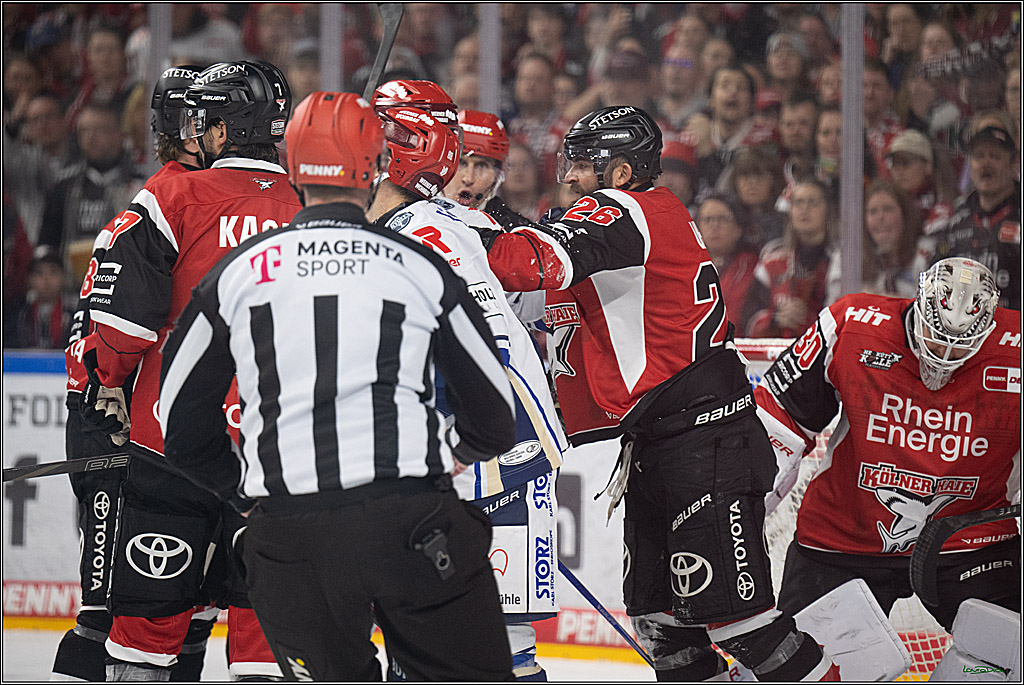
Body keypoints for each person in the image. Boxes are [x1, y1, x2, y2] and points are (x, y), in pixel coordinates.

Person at [160, 91, 516, 681]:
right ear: (375, 166)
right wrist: (453, 456)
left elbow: (179, 421)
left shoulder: (238, 273)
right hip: (412, 524)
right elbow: (494, 416)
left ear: (292, 166)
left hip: (290, 537)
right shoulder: (419, 266)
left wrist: (244, 492)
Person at [478, 105, 839, 681]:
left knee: (744, 629)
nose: (568, 176)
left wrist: (447, 219)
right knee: (662, 627)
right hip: (664, 442)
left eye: (582, 164)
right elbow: (540, 249)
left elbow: (525, 260)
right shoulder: (638, 215)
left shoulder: (624, 210)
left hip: (706, 444)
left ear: (621, 173)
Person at [69, 59, 301, 680]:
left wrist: (107, 382)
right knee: (267, 630)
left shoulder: (173, 192)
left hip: (171, 435)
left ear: (224, 129)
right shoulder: (309, 205)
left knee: (148, 626)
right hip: (277, 447)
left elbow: (122, 325)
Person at [370, 99, 567, 681]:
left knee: (496, 638)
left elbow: (503, 341)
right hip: (482, 443)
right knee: (427, 631)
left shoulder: (431, 230)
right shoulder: (441, 227)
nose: (473, 178)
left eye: (486, 165)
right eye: (464, 161)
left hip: (495, 445)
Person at [53, 64, 223, 684]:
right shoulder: (178, 197)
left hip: (123, 403)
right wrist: (110, 388)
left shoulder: (180, 193)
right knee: (116, 604)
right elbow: (126, 326)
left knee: (188, 599)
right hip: (111, 410)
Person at [755, 257, 1020, 636]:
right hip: (844, 537)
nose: (943, 356)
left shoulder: (1017, 350)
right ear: (917, 304)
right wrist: (743, 507)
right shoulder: (852, 324)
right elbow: (781, 415)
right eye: (934, 336)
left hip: (970, 543)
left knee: (1004, 657)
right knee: (806, 668)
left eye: (961, 346)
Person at [927, 124, 1020, 310]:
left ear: (1013, 165)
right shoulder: (956, 220)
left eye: (994, 156)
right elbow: (935, 279)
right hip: (965, 330)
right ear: (970, 167)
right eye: (978, 156)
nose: (986, 163)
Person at [749, 180, 839, 338]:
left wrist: (809, 318)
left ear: (828, 210)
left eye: (813, 202)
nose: (805, 209)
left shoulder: (841, 260)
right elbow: (748, 321)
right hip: (776, 355)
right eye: (798, 203)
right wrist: (775, 319)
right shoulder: (772, 259)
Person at [694, 192, 765, 337]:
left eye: (722, 219)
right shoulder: (687, 268)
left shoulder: (753, 266)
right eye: (707, 220)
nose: (714, 226)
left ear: (738, 229)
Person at [862, 179, 922, 298]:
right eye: (873, 211)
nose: (880, 217)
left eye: (888, 209)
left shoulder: (923, 256)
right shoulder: (854, 259)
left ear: (905, 215)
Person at [3, 253, 74, 349]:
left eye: (53, 272)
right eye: (39, 273)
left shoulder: (74, 314)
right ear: (29, 279)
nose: (46, 279)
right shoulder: (19, 315)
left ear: (63, 277)